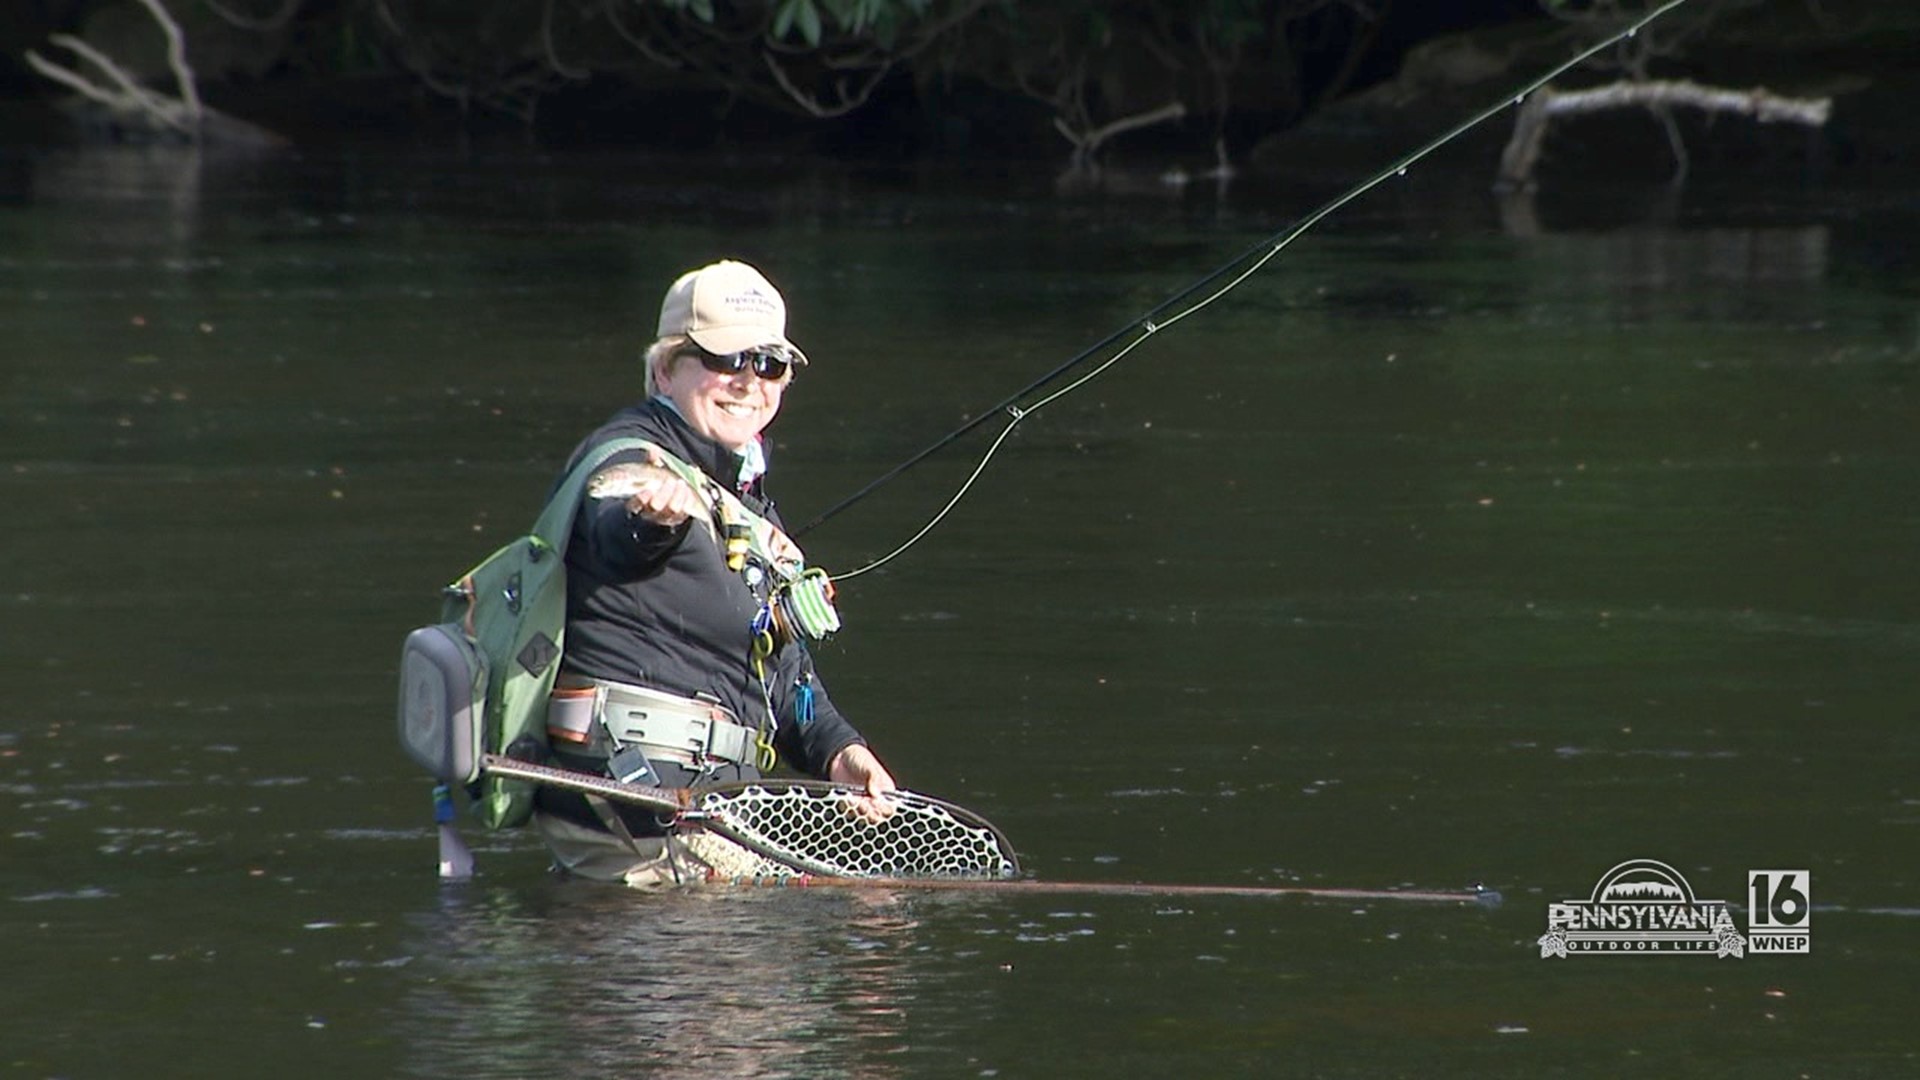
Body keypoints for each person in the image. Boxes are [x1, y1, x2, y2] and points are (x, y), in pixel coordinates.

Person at [531, 258, 897, 885]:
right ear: (665, 369)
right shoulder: (626, 456)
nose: (749, 382)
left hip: (706, 816)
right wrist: (654, 520)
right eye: (726, 360)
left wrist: (840, 752)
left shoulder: (744, 498)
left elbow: (774, 668)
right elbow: (619, 536)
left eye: (770, 364)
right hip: (637, 819)